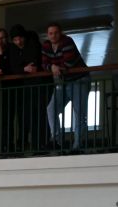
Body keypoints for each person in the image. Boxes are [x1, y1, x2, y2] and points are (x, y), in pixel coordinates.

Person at [43, 23, 90, 152]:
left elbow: (69, 62)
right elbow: (44, 63)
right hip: (63, 82)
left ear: (60, 33)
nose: (53, 35)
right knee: (51, 109)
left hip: (79, 80)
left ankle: (77, 145)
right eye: (51, 33)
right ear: (48, 35)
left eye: (56, 33)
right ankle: (56, 140)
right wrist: (52, 67)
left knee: (79, 113)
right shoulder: (46, 45)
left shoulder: (67, 41)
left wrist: (54, 67)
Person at [8, 24, 44, 152]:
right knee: (24, 116)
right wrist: (23, 68)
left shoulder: (33, 44)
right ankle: (23, 142)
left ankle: (38, 144)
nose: (18, 42)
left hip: (36, 86)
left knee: (37, 115)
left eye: (20, 39)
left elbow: (33, 64)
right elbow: (13, 67)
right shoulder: (13, 49)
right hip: (23, 88)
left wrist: (21, 67)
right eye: (15, 40)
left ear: (24, 37)